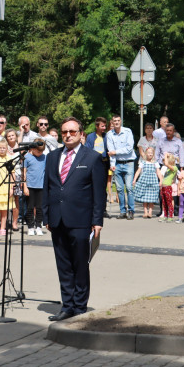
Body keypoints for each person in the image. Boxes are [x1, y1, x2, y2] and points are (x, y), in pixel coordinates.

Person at [42, 117, 106, 321]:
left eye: (72, 132)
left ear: (81, 134)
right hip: (57, 219)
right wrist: (46, 214)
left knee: (79, 264)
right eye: (64, 132)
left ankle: (79, 306)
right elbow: (48, 187)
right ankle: (67, 305)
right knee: (63, 265)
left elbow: (99, 193)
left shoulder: (93, 158)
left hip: (81, 219)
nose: (68, 135)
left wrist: (97, 221)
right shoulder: (52, 157)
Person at [106, 115, 136, 220]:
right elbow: (111, 150)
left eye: (118, 120)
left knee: (129, 187)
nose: (117, 122)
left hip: (129, 163)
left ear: (121, 121)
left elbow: (129, 148)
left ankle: (131, 210)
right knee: (119, 189)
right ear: (112, 122)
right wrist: (112, 164)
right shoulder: (109, 134)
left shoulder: (127, 132)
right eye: (115, 121)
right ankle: (122, 211)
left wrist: (116, 152)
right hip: (117, 163)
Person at [22, 139, 47, 234]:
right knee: (30, 207)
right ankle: (30, 226)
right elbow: (23, 173)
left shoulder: (44, 157)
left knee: (40, 207)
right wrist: (24, 186)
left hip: (41, 186)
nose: (40, 153)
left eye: (42, 151)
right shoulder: (27, 157)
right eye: (38, 151)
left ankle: (38, 226)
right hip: (30, 186)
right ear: (33, 148)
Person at [132, 146, 160, 220]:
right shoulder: (143, 162)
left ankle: (150, 212)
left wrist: (161, 180)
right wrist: (134, 179)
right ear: (146, 154)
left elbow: (158, 172)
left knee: (152, 197)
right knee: (144, 197)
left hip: (153, 181)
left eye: (151, 153)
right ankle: (145, 212)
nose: (150, 154)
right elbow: (138, 171)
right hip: (144, 180)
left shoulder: (155, 163)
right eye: (148, 153)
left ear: (153, 154)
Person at [157, 152, 177, 221]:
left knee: (169, 202)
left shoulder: (174, 168)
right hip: (163, 186)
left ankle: (170, 215)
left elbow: (166, 163)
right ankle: (165, 215)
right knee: (164, 202)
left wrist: (165, 155)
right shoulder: (167, 169)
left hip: (168, 187)